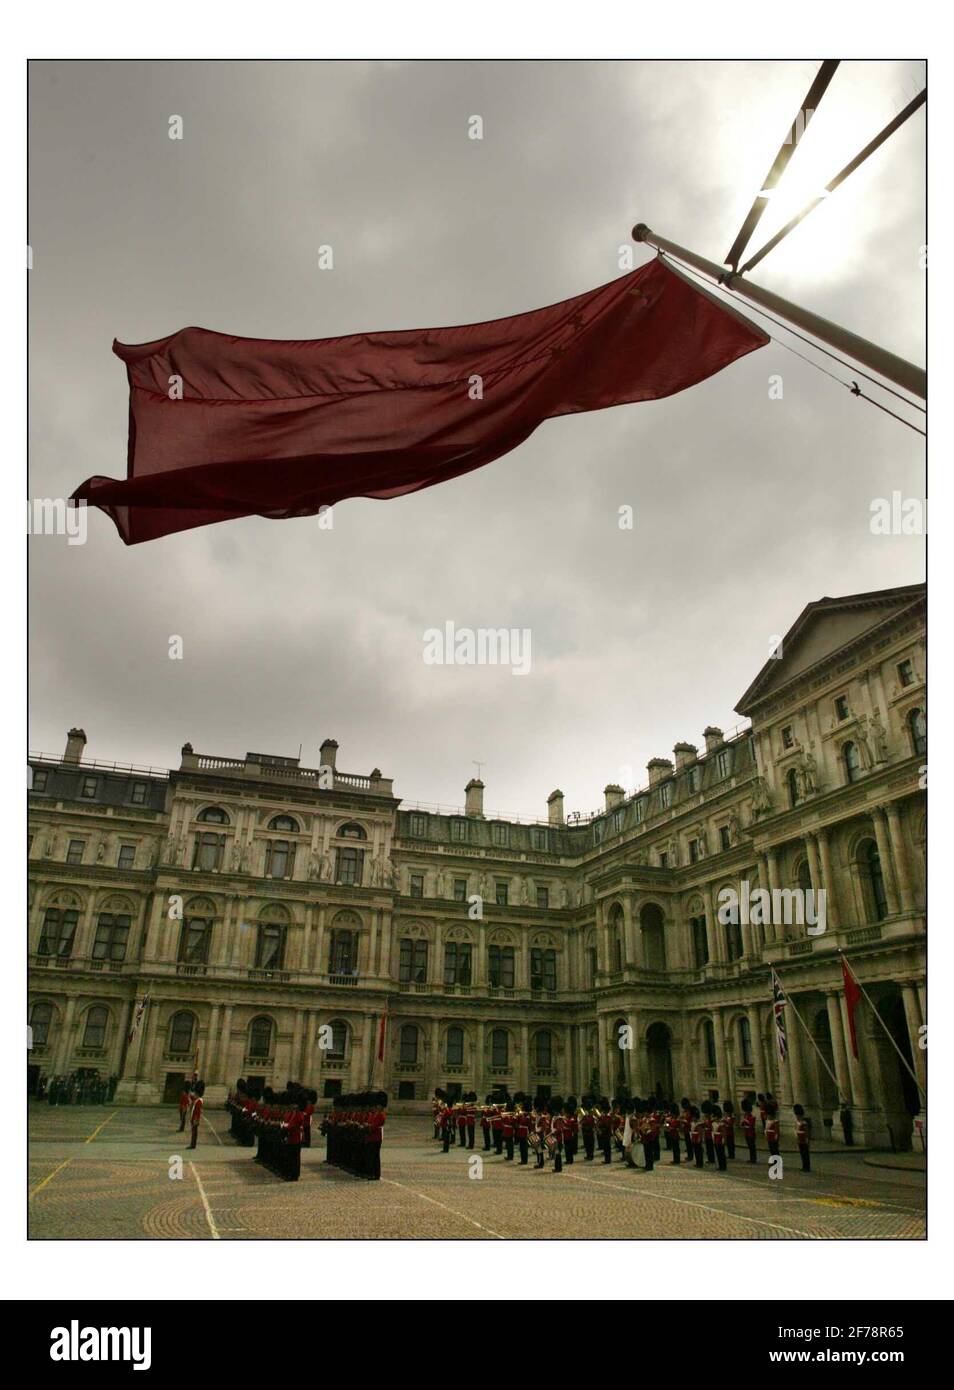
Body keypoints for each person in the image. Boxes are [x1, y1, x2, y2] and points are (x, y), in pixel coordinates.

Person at [793, 1104, 811, 1172]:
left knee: (805, 1154)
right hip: (800, 1140)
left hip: (804, 1140)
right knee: (802, 1154)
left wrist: (807, 1140)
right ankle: (804, 1166)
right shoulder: (798, 1122)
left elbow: (806, 1133)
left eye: (797, 1115)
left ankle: (807, 1167)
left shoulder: (804, 1123)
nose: (797, 1117)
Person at [740, 1098, 758, 1163]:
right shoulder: (745, 1116)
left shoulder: (752, 1117)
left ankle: (753, 1159)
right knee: (750, 1146)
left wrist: (745, 1123)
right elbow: (743, 1124)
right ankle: (751, 1158)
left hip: (751, 1133)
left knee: (752, 1146)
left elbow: (751, 1125)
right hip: (747, 1133)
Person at [189, 1080, 205, 1150]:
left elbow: (197, 1112)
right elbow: (191, 1096)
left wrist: (196, 1119)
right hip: (193, 1118)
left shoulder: (199, 1101)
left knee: (194, 1132)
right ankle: (192, 1144)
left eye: (195, 1093)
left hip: (195, 1119)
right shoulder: (197, 1099)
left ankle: (193, 1145)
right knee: (193, 1131)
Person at [711, 1104, 727, 1171]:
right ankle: (720, 1165)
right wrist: (713, 1139)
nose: (714, 1118)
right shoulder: (713, 1123)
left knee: (722, 1153)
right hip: (716, 1139)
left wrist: (724, 1140)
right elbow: (712, 1132)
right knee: (718, 1153)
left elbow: (724, 1133)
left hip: (720, 1139)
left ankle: (723, 1166)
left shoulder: (721, 1124)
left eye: (715, 1117)